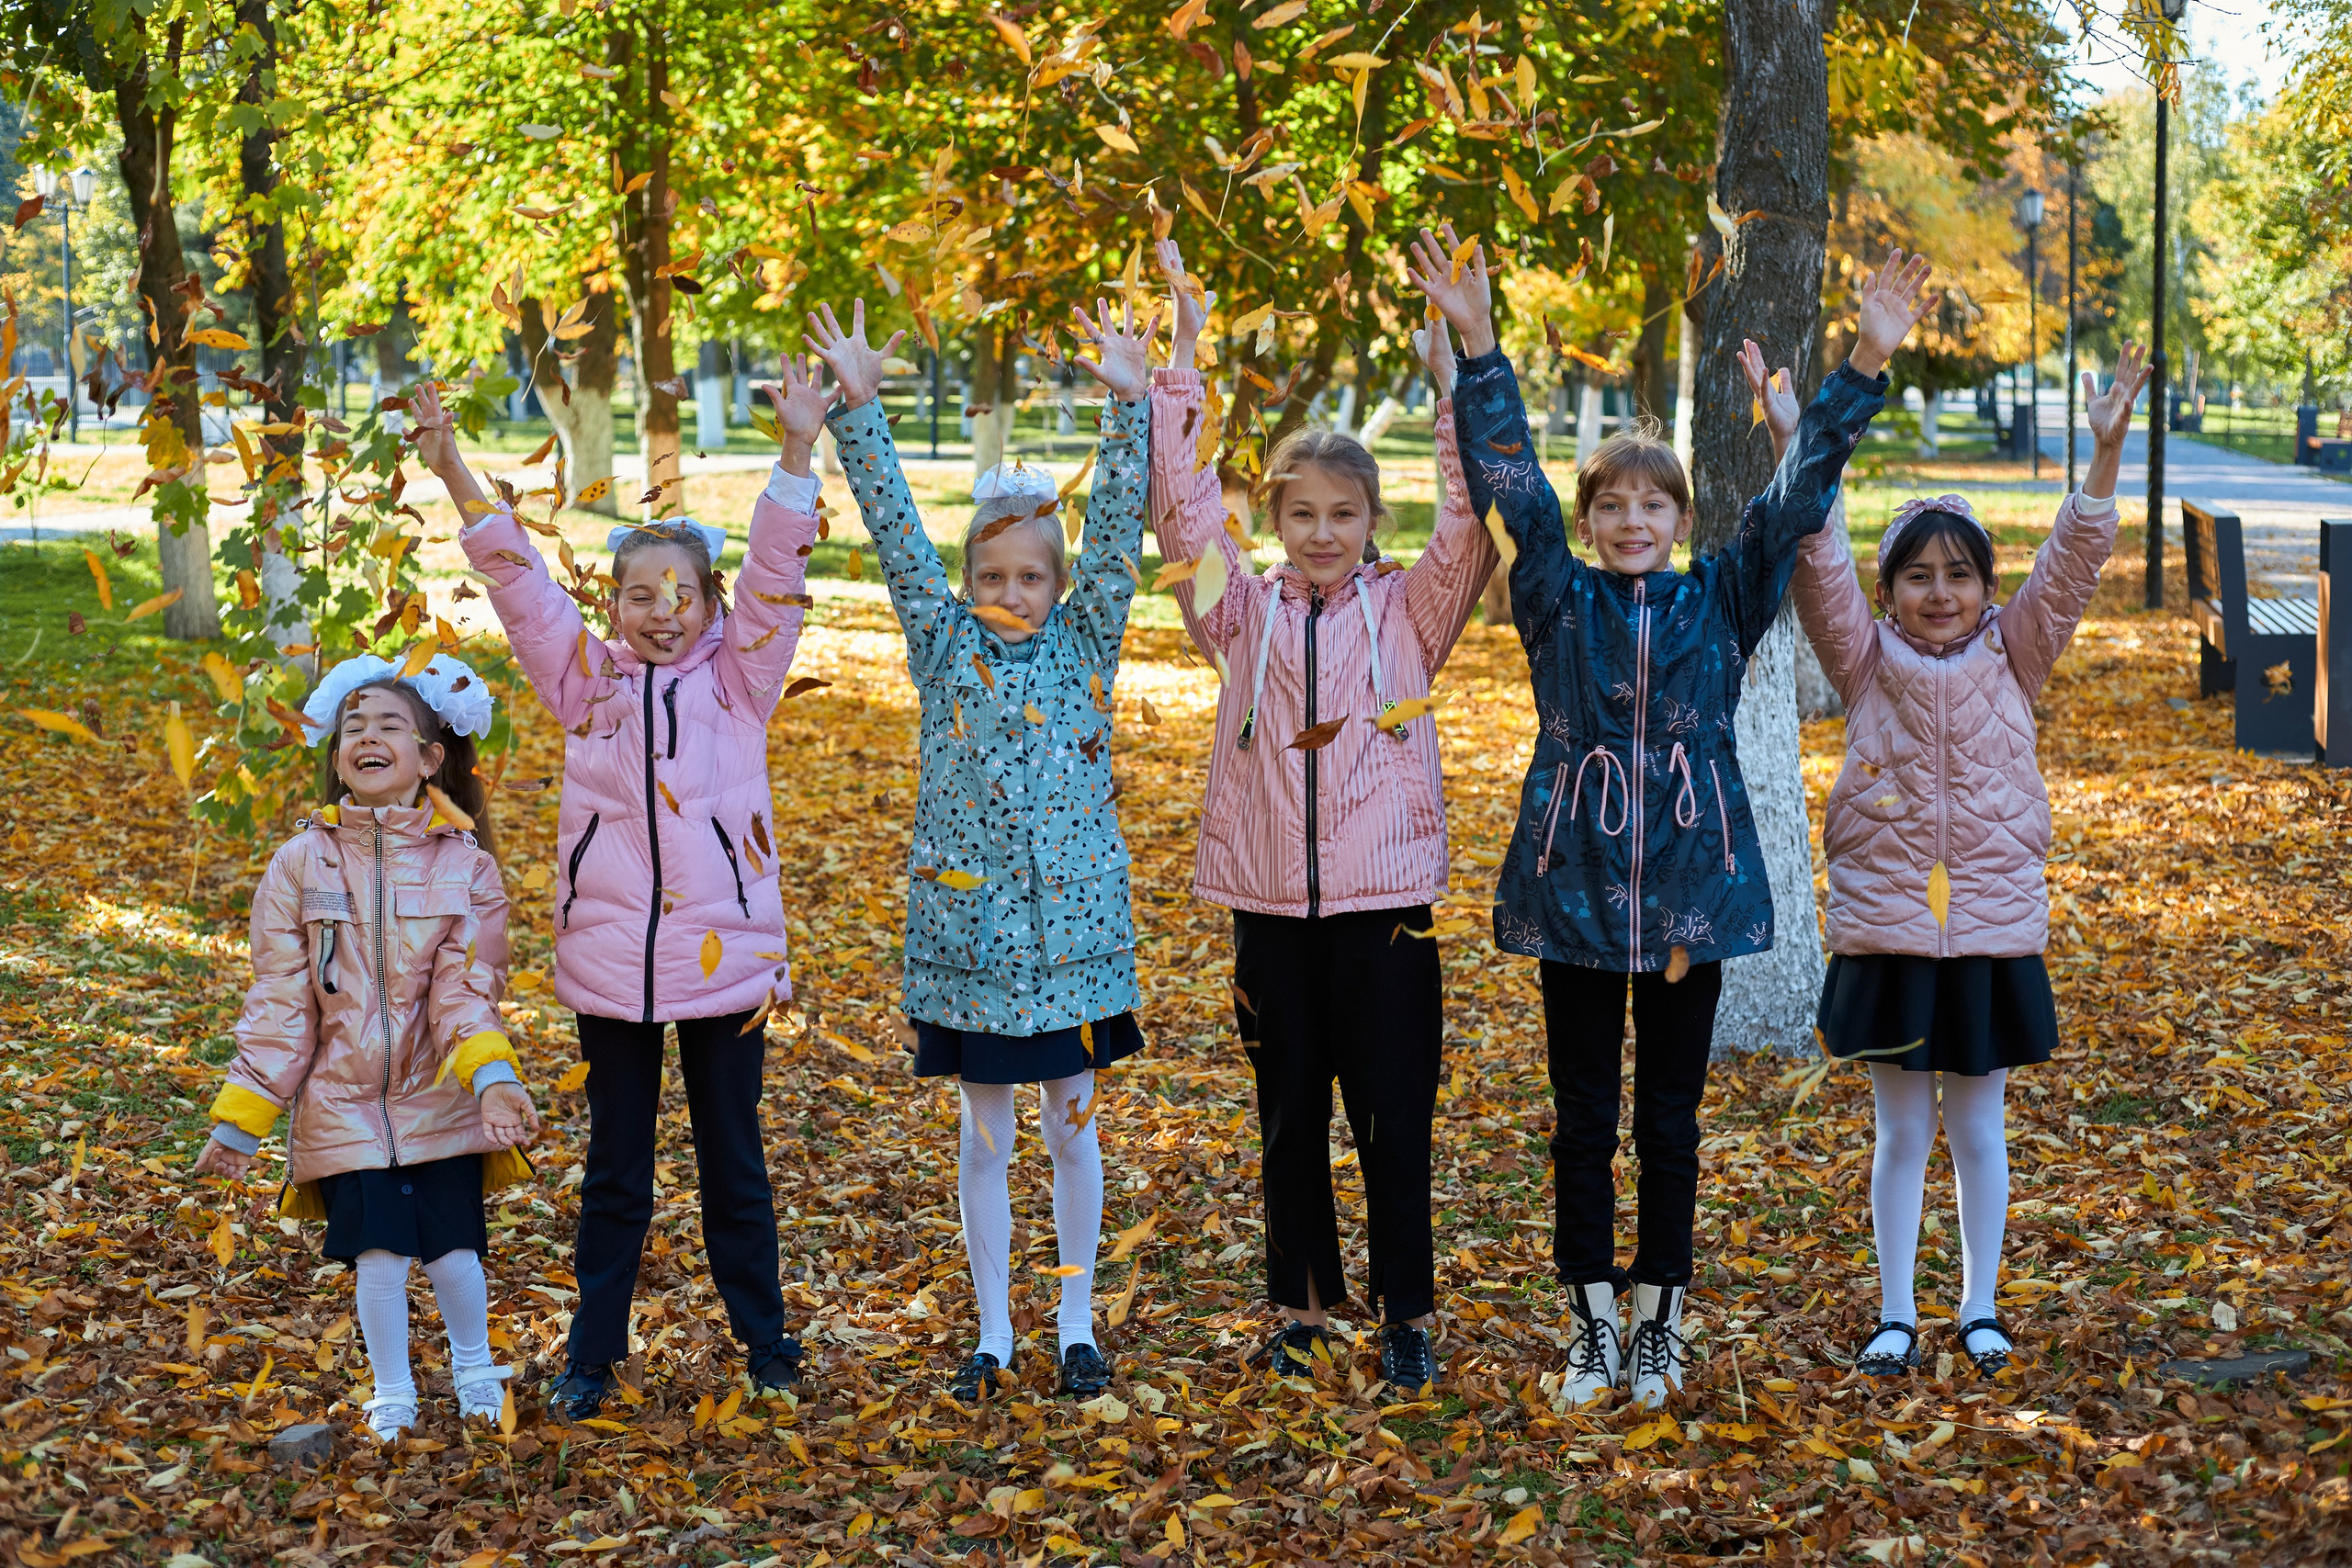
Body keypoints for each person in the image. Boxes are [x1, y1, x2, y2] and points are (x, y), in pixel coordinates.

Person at [1422, 235, 1938, 1408]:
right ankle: (1589, 1320)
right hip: (1572, 889)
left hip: (1692, 899)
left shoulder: (1720, 593)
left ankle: (1661, 1314)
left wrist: (1862, 356)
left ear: (1678, 516)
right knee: (1580, 1119)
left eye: (1654, 502)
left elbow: (1795, 499)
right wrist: (1478, 345)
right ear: (1594, 515)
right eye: (1613, 501)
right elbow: (1510, 483)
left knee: (1667, 1121)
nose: (1631, 518)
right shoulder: (1554, 597)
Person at [419, 358, 833, 1419]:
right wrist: (452, 464)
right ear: (613, 604)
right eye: (641, 594)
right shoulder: (584, 682)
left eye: (683, 594)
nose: (663, 611)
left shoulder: (739, 683)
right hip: (612, 974)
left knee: (735, 1172)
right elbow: (516, 582)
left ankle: (766, 1342)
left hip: (728, 969)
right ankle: (591, 1355)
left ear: (709, 604)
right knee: (617, 1176)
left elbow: (779, 579)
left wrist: (796, 454)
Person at [1148, 236, 1498, 1394]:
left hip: (1385, 913)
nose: (1319, 534)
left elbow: (1467, 527)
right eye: (1298, 513)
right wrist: (1184, 357)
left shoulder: (1410, 616)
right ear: (1278, 519)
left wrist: (1454, 388)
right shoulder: (1234, 615)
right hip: (1268, 913)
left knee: (1394, 1122)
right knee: (1291, 1117)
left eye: (1341, 514)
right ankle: (1300, 1308)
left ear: (1366, 519)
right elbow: (1183, 515)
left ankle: (1408, 1313)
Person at [802, 297, 1152, 1404]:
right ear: (967, 585)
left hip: (1079, 947)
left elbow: (1117, 531)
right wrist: (858, 413)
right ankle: (995, 1331)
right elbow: (898, 535)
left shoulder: (1089, 643)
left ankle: (1077, 1320)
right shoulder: (941, 645)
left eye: (1031, 578)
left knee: (1074, 1131)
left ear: (1059, 585)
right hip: (974, 947)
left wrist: (1128, 405)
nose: (1012, 596)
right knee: (985, 1140)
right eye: (992, 578)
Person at [1789, 342, 2153, 1380]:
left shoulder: (2016, 650)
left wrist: (2105, 453)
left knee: (1978, 1129)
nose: (1938, 593)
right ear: (1890, 588)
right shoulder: (1863, 661)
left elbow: (2073, 563)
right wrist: (1796, 446)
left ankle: (1979, 1306)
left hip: (1989, 930)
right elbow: (1815, 560)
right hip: (1892, 932)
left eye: (1958, 575)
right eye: (1917, 575)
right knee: (1902, 1132)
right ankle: (1896, 1313)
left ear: (1987, 587)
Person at [195, 653, 540, 1441]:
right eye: (354, 727)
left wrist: (490, 1078)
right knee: (380, 1257)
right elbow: (283, 1000)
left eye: (390, 725)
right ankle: (393, 1392)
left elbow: (466, 989)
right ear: (337, 756)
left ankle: (475, 1369)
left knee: (453, 1251)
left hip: (438, 1094)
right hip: (343, 1101)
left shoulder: (468, 869)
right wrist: (243, 1117)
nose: (369, 737)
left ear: (430, 757)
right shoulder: (298, 864)